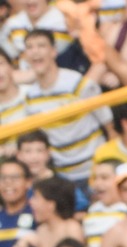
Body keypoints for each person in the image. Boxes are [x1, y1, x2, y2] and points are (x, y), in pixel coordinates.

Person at [18, 30, 107, 184]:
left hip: (94, 171)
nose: (35, 52)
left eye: (41, 46)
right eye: (30, 47)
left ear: (54, 51)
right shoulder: (30, 97)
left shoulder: (76, 83)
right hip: (62, 177)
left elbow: (108, 124)